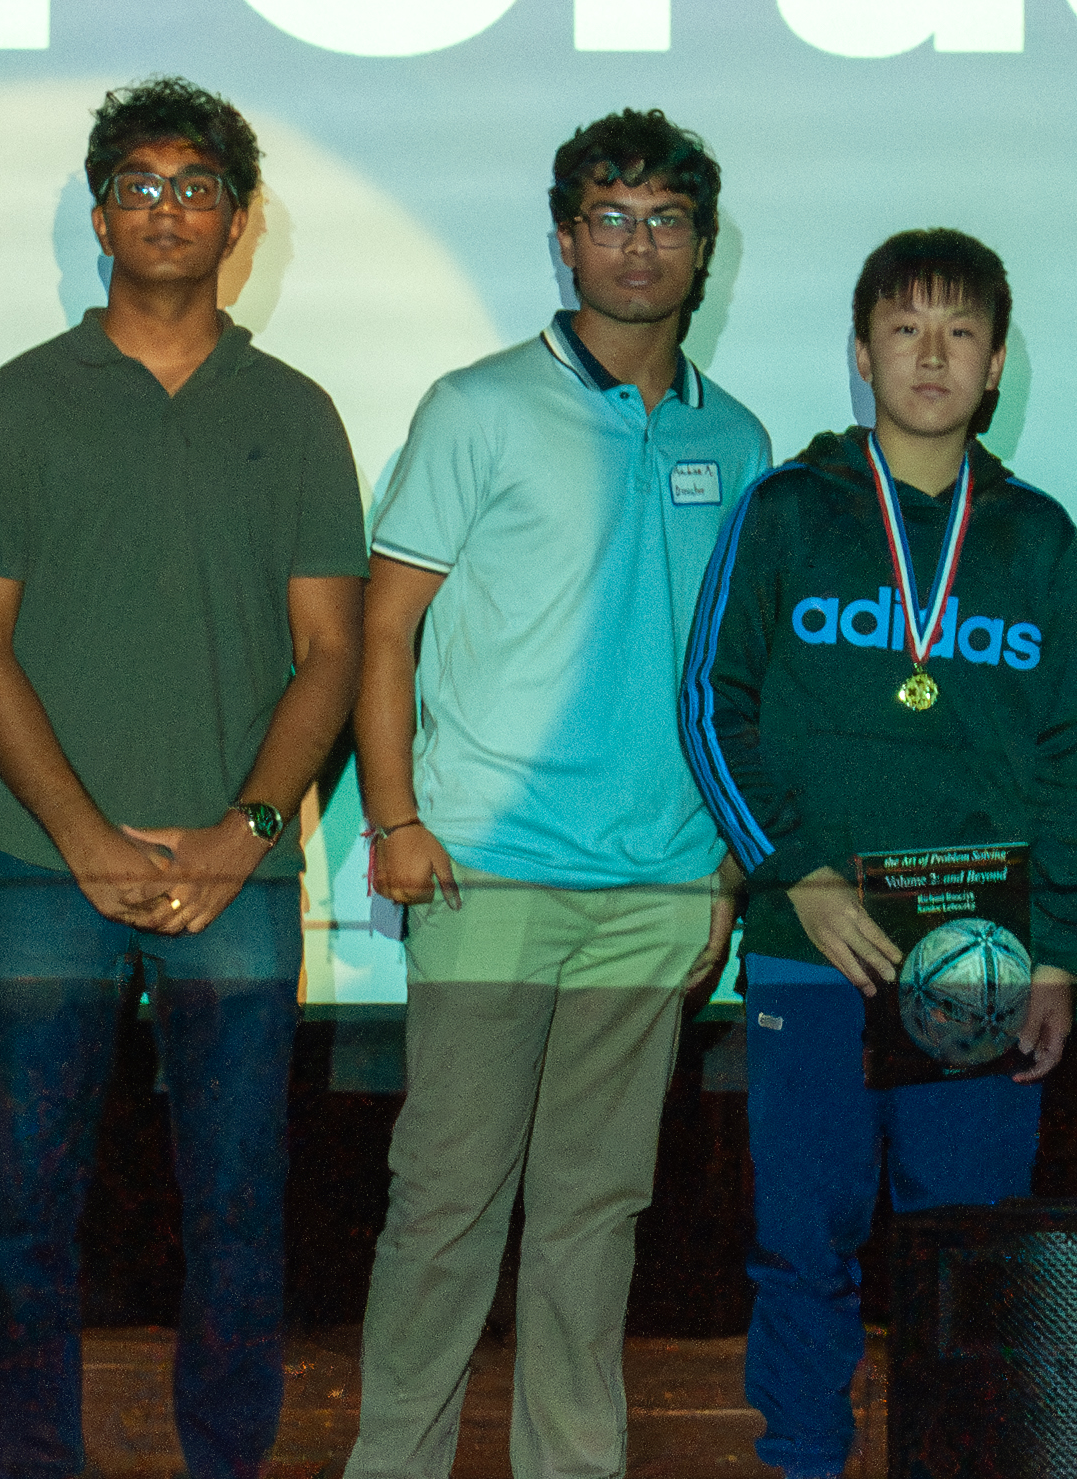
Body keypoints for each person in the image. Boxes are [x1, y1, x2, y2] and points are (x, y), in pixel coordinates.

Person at [0, 78, 369, 1479]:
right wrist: (83, 838)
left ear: (240, 221)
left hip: (237, 881)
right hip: (38, 872)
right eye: (138, 185)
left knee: (238, 1212)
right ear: (99, 214)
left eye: (196, 187)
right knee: (25, 1212)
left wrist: (247, 833)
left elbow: (332, 652)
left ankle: (226, 1460)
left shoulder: (295, 413)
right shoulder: (17, 401)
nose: (166, 209)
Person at [343, 109, 771, 1479]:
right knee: (447, 1205)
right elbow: (385, 627)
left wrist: (723, 865)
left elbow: (736, 673)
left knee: (596, 1217)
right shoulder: (476, 406)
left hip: (659, 887)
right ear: (565, 241)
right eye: (610, 218)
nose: (638, 245)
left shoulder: (738, 438)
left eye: (666, 220)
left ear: (703, 248)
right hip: (489, 867)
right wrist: (394, 820)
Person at [678, 227, 1077, 1479]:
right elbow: (709, 704)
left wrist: (1060, 953)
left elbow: (1064, 755)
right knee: (803, 1239)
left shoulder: (1035, 534)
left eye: (960, 332)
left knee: (966, 1249)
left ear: (996, 362)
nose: (931, 354)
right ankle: (805, 1453)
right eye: (904, 328)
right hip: (812, 942)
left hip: (978, 952)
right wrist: (795, 871)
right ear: (860, 353)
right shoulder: (787, 508)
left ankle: (955, 1456)